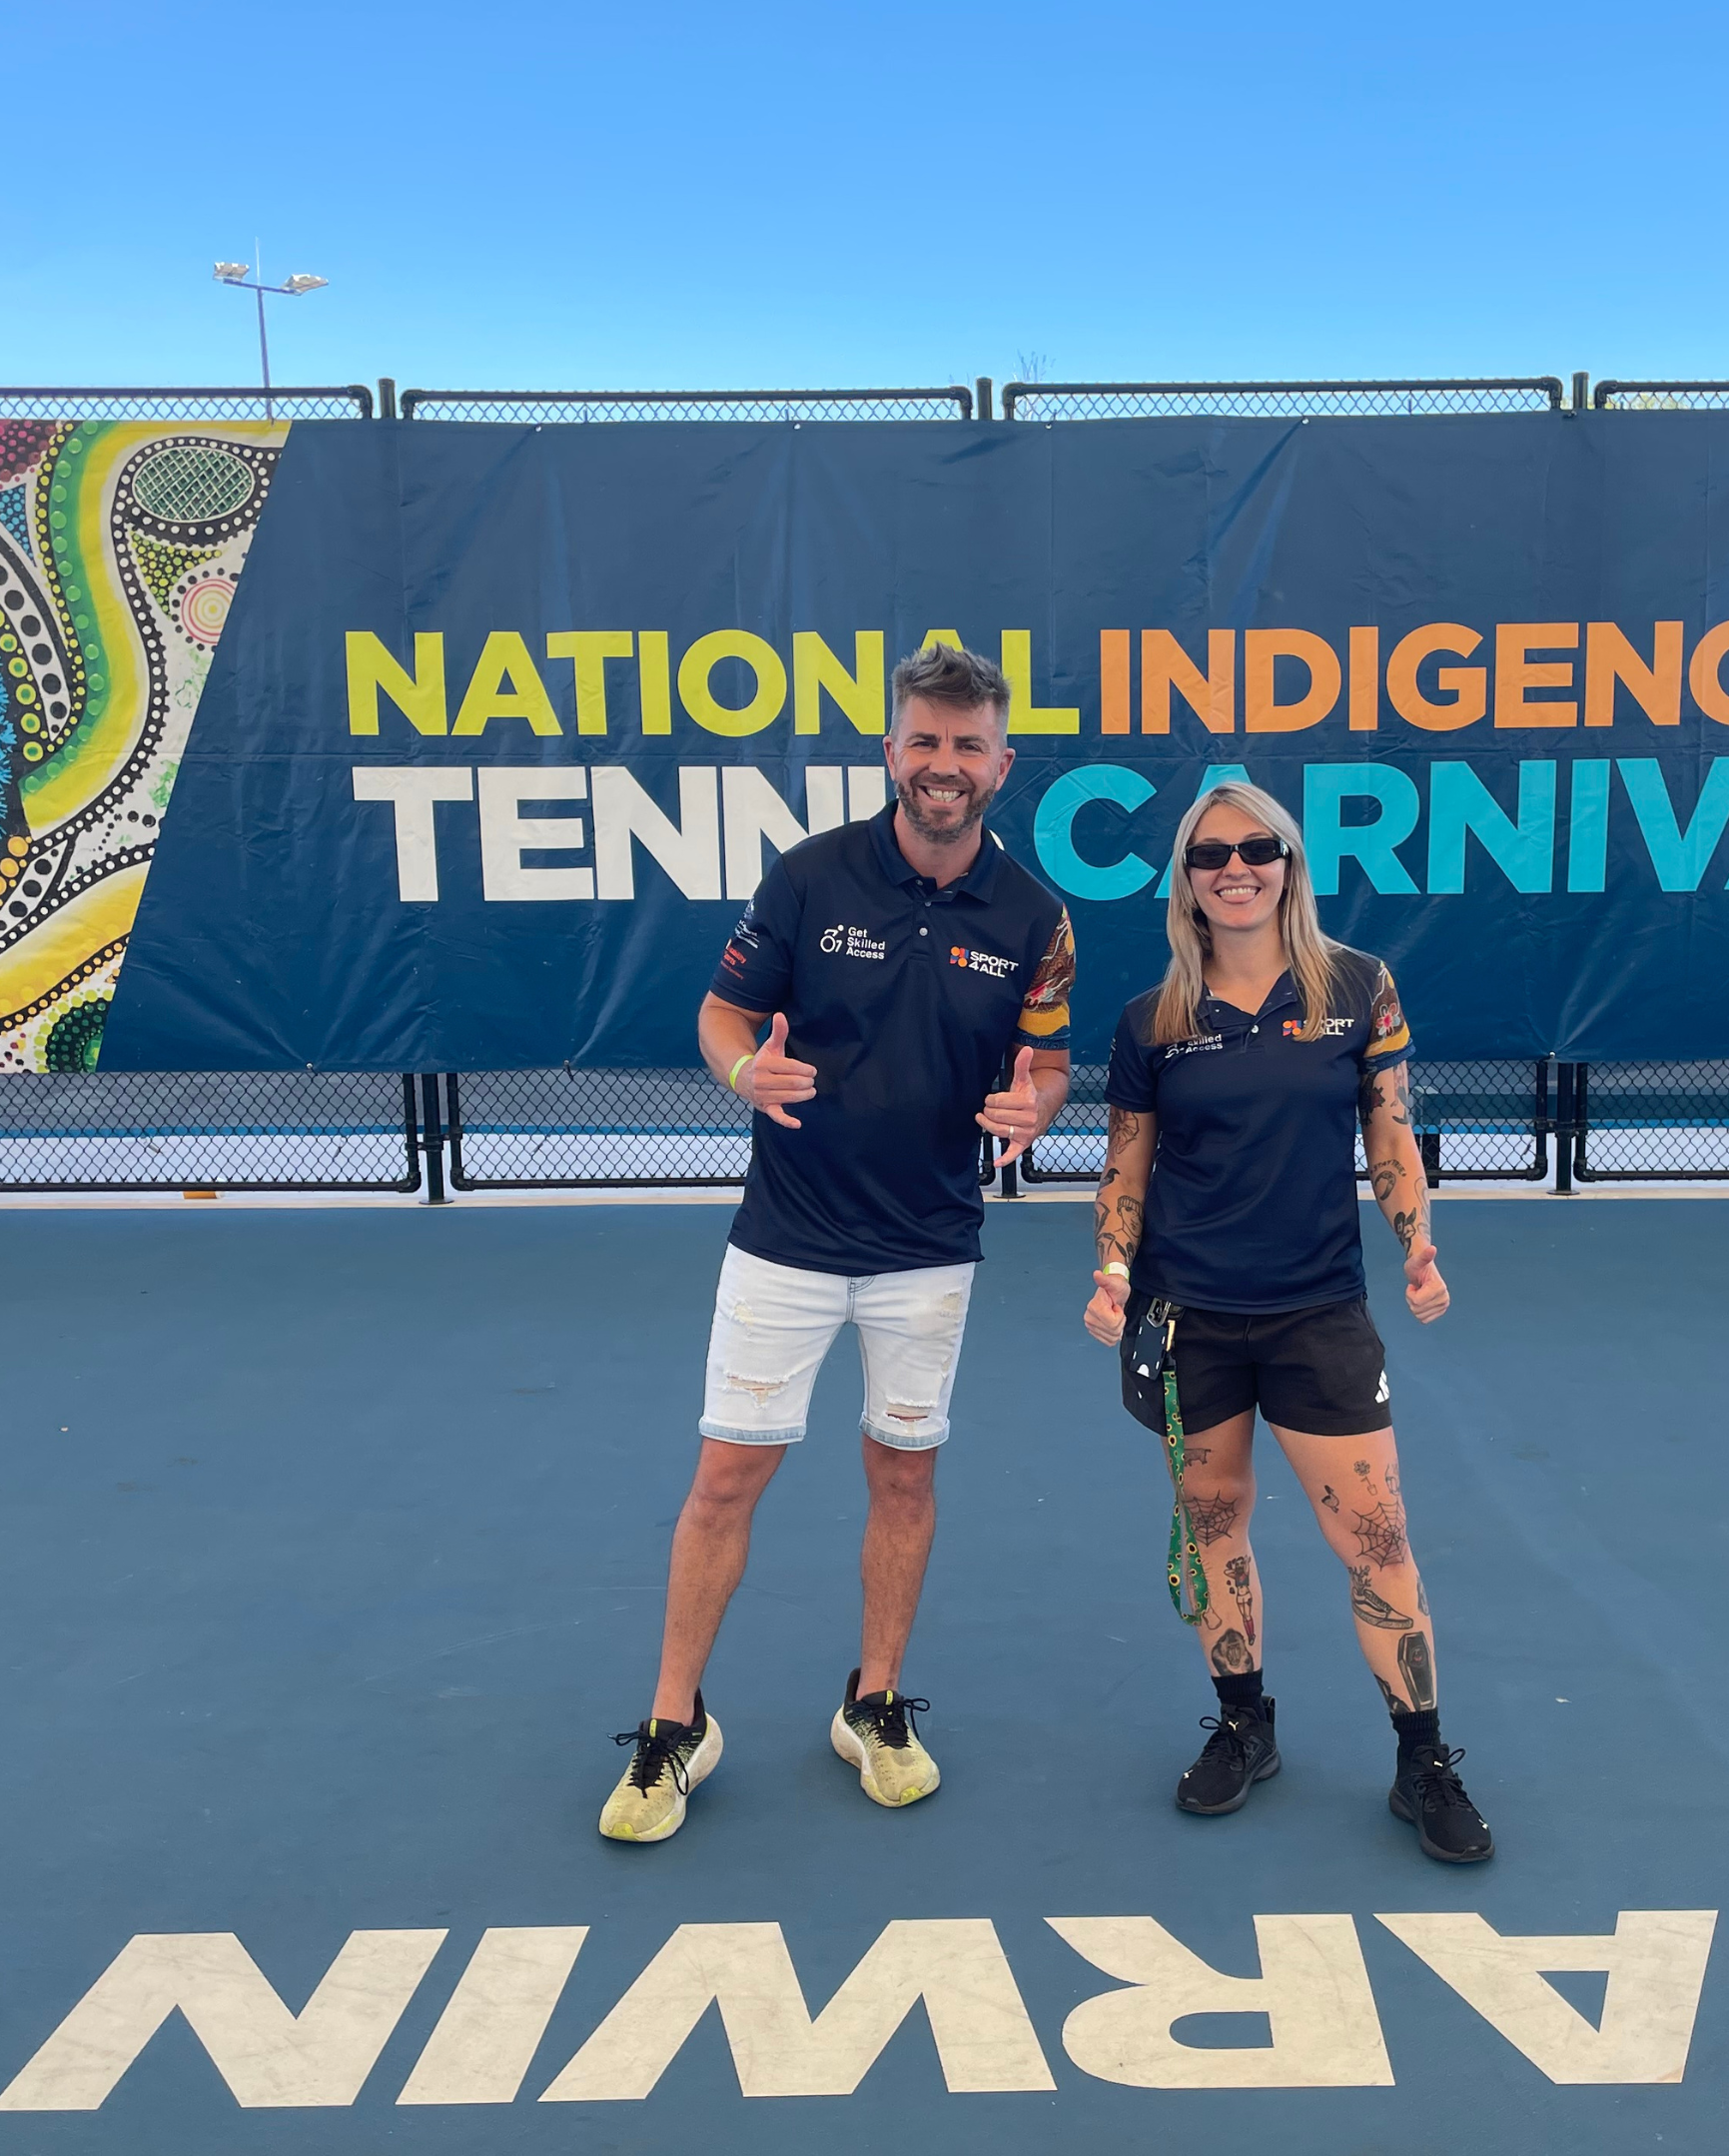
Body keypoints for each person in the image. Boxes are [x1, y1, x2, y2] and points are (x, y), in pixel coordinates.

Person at [598, 641, 1075, 1843]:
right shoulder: (809, 878)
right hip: (786, 1240)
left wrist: (1039, 1105)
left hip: (929, 1247)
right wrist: (738, 1069)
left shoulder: (1034, 916)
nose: (944, 765)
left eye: (967, 745)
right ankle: (673, 1725)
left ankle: (872, 1703)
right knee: (725, 1477)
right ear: (891, 752)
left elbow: (1052, 1058)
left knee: (903, 1472)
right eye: (924, 741)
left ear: (1001, 764)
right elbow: (722, 1014)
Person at [1082, 779, 1492, 1862]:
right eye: (1211, 853)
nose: (1236, 867)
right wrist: (1112, 1268)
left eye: (1258, 848)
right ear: (1186, 879)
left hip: (1319, 1317)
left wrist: (1416, 1243)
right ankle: (1243, 1724)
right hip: (1189, 1322)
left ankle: (1421, 1756)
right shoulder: (1152, 1020)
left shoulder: (1360, 987)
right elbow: (1125, 1160)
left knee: (1375, 1540)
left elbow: (1390, 1130)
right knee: (1211, 1525)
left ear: (1289, 864)